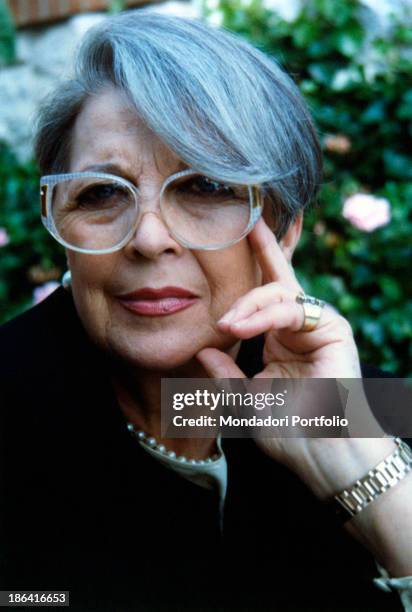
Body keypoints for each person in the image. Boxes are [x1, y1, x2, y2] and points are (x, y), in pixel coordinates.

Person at [0, 9, 411, 612]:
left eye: (206, 186)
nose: (148, 238)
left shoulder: (374, 409)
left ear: (285, 226)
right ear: (62, 230)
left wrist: (363, 473)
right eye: (102, 193)